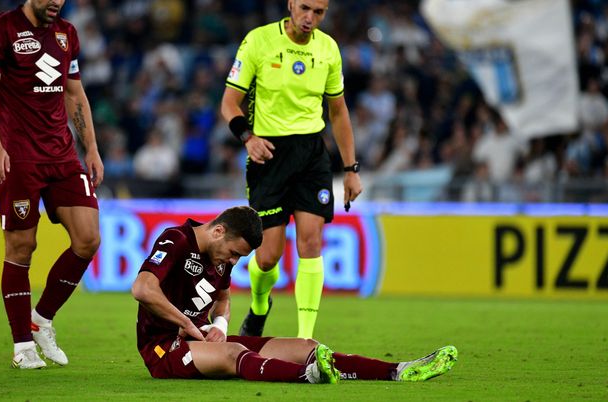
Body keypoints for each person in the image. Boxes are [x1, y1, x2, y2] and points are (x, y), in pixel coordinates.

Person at [132, 206, 458, 383]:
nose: (232, 262)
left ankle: (398, 371)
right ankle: (306, 376)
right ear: (218, 231)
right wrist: (189, 326)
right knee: (233, 355)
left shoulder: (221, 257)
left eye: (238, 258)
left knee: (308, 346)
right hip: (163, 348)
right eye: (233, 253)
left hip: (202, 338)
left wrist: (219, 322)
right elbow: (143, 289)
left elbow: (224, 299)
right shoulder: (175, 240)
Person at [220, 0, 363, 338]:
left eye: (319, 12)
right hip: (268, 154)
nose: (310, 18)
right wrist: (247, 138)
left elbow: (339, 112)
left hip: (312, 154)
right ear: (290, 5)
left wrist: (350, 168)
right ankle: (258, 306)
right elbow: (228, 103)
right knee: (268, 257)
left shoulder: (328, 49)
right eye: (304, 8)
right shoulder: (258, 41)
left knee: (311, 243)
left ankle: (305, 339)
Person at [0, 0, 103, 369]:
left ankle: (41, 320)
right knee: (22, 245)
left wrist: (92, 149)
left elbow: (75, 93)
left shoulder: (67, 33)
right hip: (19, 158)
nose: (56, 2)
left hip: (62, 155)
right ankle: (21, 346)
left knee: (88, 239)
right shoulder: (0, 30)